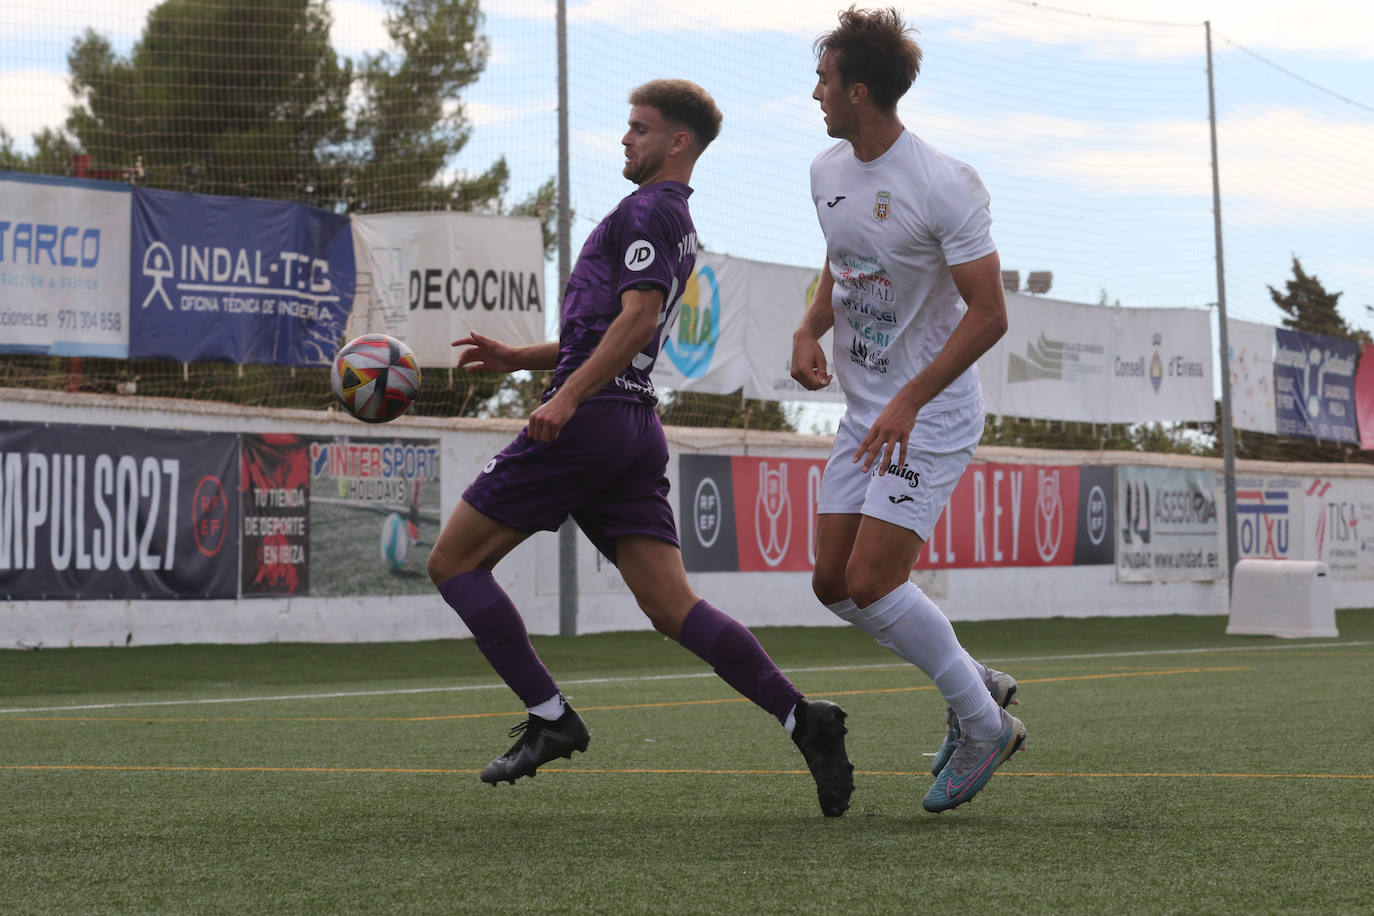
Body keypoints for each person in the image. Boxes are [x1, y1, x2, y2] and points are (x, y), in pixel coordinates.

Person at [427, 79, 854, 817]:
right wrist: (520, 360)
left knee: (453, 563)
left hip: (592, 421)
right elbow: (609, 333)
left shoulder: (649, 208)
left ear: (677, 143)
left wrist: (564, 395)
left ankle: (551, 717)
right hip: (630, 426)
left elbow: (635, 321)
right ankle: (802, 718)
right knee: (670, 604)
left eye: (640, 129)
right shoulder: (672, 217)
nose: (626, 139)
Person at [790, 7, 1025, 813]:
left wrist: (910, 400)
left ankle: (981, 722)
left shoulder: (944, 183)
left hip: (930, 415)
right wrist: (808, 324)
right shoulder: (826, 171)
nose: (815, 92)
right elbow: (843, 262)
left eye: (824, 79)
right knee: (831, 583)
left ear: (859, 90)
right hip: (866, 414)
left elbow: (990, 314)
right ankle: (971, 679)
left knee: (873, 576)